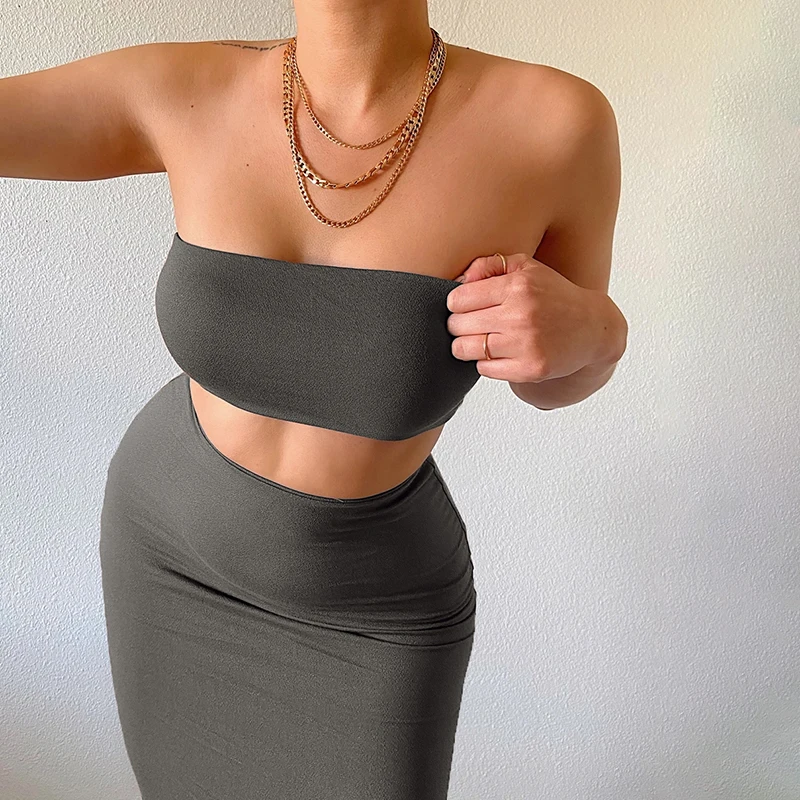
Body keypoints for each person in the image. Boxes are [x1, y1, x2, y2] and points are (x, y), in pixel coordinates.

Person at [1, 1, 627, 797]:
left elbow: (552, 386)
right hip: (167, 555)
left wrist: (598, 334)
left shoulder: (555, 123)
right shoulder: (179, 87)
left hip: (372, 613)